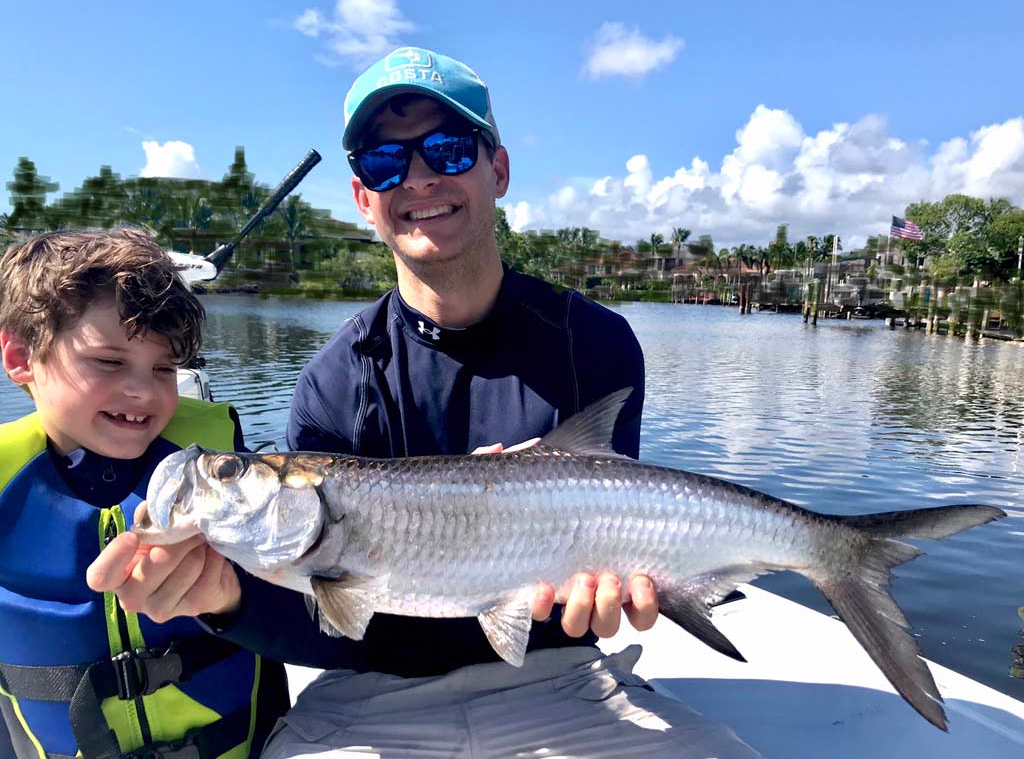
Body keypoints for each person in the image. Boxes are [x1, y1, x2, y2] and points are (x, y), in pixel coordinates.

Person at [91, 49, 762, 758]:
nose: (417, 177)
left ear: (497, 169)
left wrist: (610, 592)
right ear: (362, 196)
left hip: (561, 679)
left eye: (446, 149)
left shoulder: (592, 341)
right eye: (385, 162)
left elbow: (604, 545)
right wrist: (223, 603)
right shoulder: (333, 381)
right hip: (369, 695)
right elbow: (335, 629)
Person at [0, 230, 290, 759]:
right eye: (109, 362)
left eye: (164, 368)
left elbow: (290, 595)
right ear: (21, 357)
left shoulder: (222, 463)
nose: (144, 391)